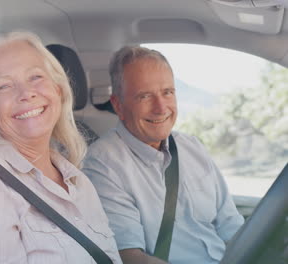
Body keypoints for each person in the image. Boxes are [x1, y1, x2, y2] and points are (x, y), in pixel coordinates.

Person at [0, 31, 122, 264]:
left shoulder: (78, 181)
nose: (26, 93)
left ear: (58, 90)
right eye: (4, 86)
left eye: (35, 77)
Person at [82, 46, 244, 264]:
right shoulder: (103, 163)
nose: (161, 108)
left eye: (167, 92)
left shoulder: (192, 146)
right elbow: (129, 256)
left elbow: (230, 225)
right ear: (118, 106)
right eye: (145, 96)